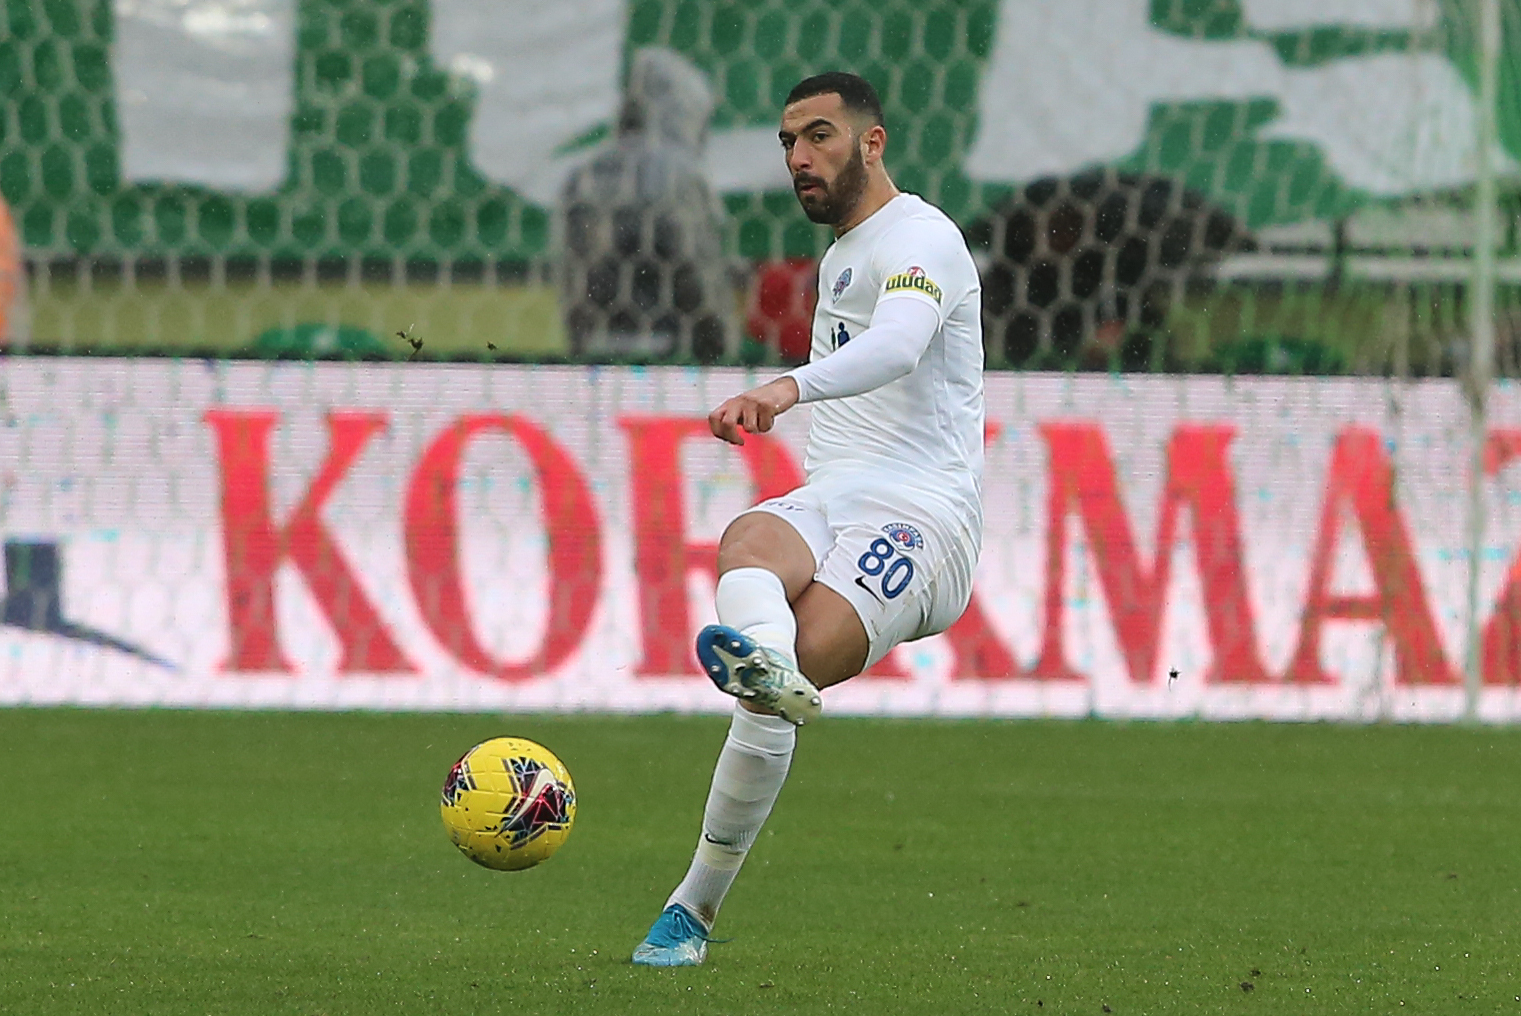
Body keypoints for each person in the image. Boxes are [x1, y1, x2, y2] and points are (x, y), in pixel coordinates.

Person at [631, 71, 985, 966]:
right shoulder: (841, 256)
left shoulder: (923, 237)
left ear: (872, 141)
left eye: (819, 135)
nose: (799, 157)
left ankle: (695, 895)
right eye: (788, 142)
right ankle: (687, 916)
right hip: (835, 493)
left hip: (925, 517)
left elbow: (898, 344)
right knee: (747, 543)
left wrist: (784, 389)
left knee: (793, 661)